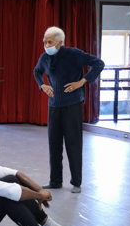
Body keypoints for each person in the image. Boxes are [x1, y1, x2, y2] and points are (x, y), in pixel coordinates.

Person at [34, 26, 104, 193]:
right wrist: (42, 85)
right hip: (54, 105)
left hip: (73, 105)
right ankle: (55, 180)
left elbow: (99, 64)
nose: (46, 44)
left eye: (49, 42)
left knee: (73, 143)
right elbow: (37, 72)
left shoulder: (74, 54)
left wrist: (82, 82)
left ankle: (76, 183)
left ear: (59, 43)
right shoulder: (44, 57)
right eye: (44, 41)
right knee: (54, 144)